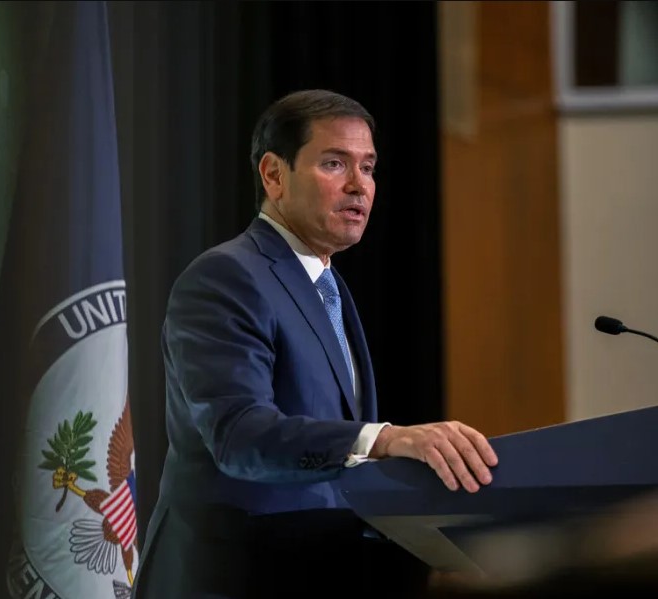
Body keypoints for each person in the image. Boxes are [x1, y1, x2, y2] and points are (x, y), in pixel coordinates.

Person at [132, 89, 499, 599]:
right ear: (274, 175)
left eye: (368, 167)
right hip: (230, 579)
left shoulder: (328, 286)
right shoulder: (226, 277)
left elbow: (332, 465)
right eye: (334, 163)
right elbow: (240, 437)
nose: (359, 185)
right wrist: (385, 439)